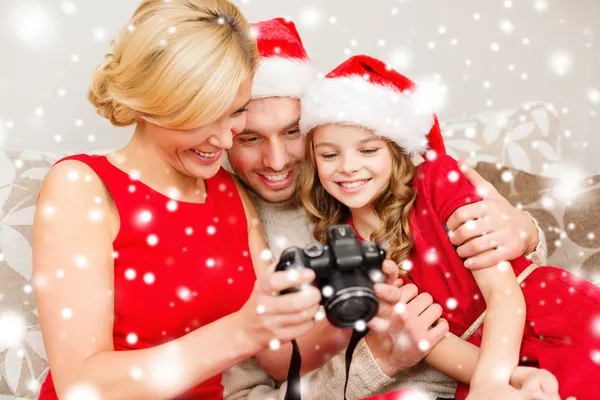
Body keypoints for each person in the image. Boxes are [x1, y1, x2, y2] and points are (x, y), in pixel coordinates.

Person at [31, 2, 349, 399]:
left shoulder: (229, 194)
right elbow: (81, 383)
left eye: (235, 114)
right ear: (148, 104)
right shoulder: (82, 185)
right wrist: (241, 330)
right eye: (202, 117)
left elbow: (277, 357)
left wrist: (351, 319)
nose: (225, 139)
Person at [223, 17, 549, 400]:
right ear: (224, 135)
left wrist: (525, 231)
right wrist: (376, 361)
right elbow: (252, 390)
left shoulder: (372, 188)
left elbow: (496, 267)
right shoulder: (226, 229)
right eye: (250, 138)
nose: (276, 160)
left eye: (292, 132)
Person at [297, 53, 599, 400]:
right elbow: (432, 340)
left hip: (547, 318)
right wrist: (511, 378)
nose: (348, 167)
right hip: (479, 361)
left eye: (368, 150)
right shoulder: (346, 249)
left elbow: (503, 294)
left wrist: (491, 381)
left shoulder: (438, 179)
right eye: (329, 155)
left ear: (395, 151)